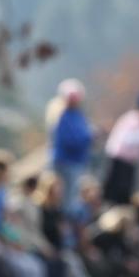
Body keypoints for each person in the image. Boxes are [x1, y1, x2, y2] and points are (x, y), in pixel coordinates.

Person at [103, 94, 139, 205]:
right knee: (117, 194)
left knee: (125, 194)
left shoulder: (137, 120)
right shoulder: (134, 119)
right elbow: (128, 139)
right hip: (121, 161)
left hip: (127, 163)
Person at [50, 78, 93, 210]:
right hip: (66, 162)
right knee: (65, 198)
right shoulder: (62, 115)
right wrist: (87, 138)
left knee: (73, 197)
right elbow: (69, 140)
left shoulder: (78, 115)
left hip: (77, 162)